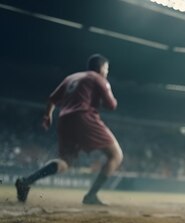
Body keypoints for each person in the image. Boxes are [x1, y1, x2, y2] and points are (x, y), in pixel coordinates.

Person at [15, 54, 123, 205]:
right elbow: (111, 105)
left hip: (64, 119)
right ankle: (91, 195)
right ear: (101, 68)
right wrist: (108, 90)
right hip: (84, 116)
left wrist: (48, 115)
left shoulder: (71, 77)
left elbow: (52, 99)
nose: (107, 73)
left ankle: (27, 181)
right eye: (107, 69)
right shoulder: (98, 78)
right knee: (116, 155)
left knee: (66, 161)